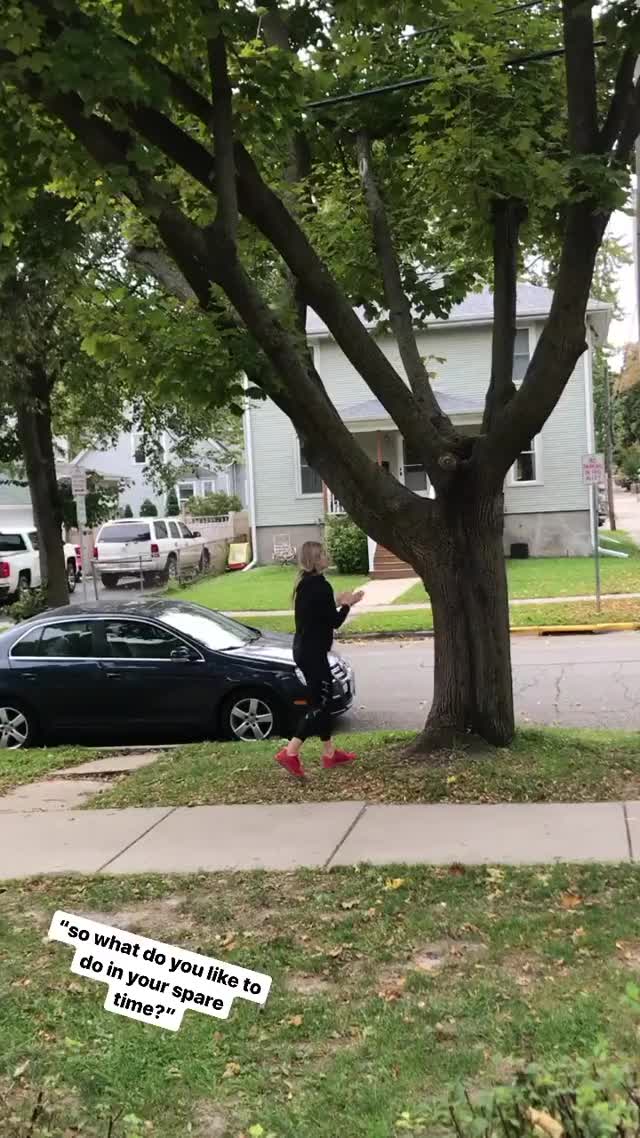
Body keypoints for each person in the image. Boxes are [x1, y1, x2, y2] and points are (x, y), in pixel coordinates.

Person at [275, 541, 364, 779]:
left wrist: (343, 602)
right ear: (315, 560)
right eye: (323, 554)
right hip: (313, 654)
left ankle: (329, 753)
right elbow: (333, 621)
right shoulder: (320, 585)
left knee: (319, 701)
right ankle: (290, 752)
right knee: (321, 705)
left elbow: (319, 613)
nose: (327, 556)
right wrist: (346, 605)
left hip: (304, 650)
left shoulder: (306, 583)